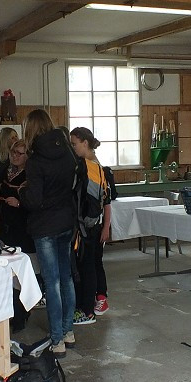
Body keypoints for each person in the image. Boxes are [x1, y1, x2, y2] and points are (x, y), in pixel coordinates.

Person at [18, 109, 77, 357]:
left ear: (30, 130)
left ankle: (57, 340)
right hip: (67, 222)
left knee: (51, 283)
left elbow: (34, 200)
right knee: (66, 278)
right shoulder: (68, 152)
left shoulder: (36, 161)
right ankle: (68, 331)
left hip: (45, 227)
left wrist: (21, 192)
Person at [69, 127, 115, 325]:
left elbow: (105, 201)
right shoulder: (95, 166)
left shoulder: (89, 168)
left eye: (74, 144)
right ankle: (94, 303)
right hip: (93, 226)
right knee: (93, 265)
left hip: (88, 228)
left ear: (85, 143)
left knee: (87, 267)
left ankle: (87, 311)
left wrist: (105, 226)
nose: (72, 148)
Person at [0, 139, 35, 332]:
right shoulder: (6, 172)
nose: (16, 157)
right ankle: (8, 313)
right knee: (5, 273)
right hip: (6, 226)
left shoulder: (31, 175)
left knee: (21, 276)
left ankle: (21, 315)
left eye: (20, 153)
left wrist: (19, 203)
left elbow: (34, 204)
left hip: (23, 228)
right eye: (13, 153)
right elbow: (0, 193)